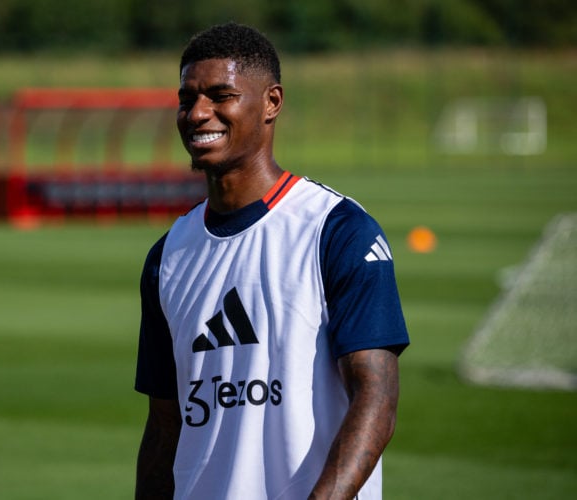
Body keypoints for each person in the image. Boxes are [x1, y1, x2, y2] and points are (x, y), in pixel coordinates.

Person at [134, 22, 409, 500]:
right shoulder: (168, 256)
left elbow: (376, 397)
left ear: (272, 102)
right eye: (187, 99)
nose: (198, 113)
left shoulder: (336, 229)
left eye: (221, 96)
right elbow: (164, 426)